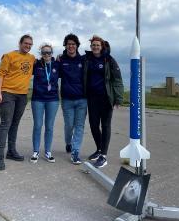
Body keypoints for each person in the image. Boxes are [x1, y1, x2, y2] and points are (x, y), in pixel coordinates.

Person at [0, 34, 35, 171]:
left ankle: (11, 151)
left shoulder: (32, 58)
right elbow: (0, 74)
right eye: (26, 43)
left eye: (30, 44)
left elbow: (43, 63)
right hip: (7, 93)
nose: (28, 46)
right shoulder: (9, 56)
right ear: (20, 43)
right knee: (6, 123)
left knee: (15, 124)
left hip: (22, 95)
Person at [84, 35, 124, 168]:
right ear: (91, 47)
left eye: (97, 45)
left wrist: (118, 98)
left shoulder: (109, 60)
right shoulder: (87, 59)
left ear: (102, 47)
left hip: (106, 98)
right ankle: (99, 149)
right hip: (92, 98)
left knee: (105, 126)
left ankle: (104, 156)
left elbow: (117, 79)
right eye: (93, 45)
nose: (95, 47)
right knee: (94, 125)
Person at [59, 34, 87, 165]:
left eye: (73, 44)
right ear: (65, 45)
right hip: (67, 100)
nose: (71, 46)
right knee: (69, 125)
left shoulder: (83, 60)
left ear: (77, 46)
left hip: (82, 99)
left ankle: (75, 152)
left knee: (79, 126)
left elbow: (102, 53)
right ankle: (68, 143)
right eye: (69, 44)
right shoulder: (60, 60)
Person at [30, 43, 60, 164]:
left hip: (53, 99)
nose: (46, 54)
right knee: (37, 125)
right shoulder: (36, 64)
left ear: (52, 53)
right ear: (41, 54)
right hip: (37, 99)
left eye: (49, 52)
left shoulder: (57, 64)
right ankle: (35, 151)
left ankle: (48, 151)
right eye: (44, 52)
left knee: (49, 127)